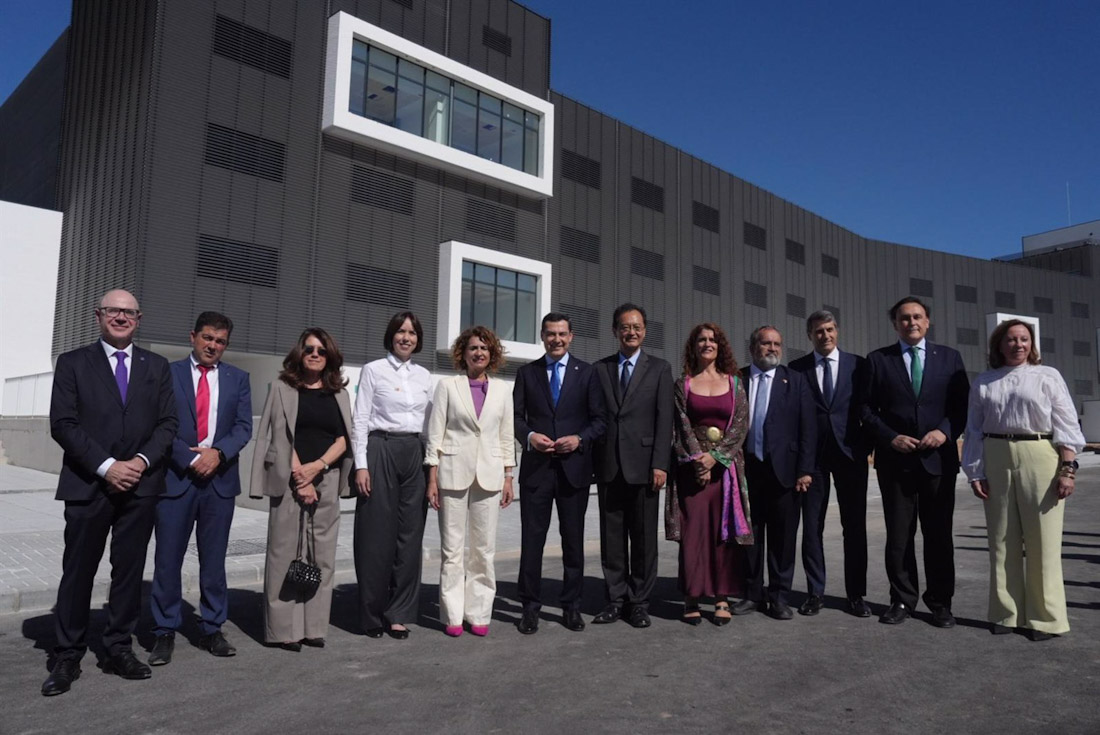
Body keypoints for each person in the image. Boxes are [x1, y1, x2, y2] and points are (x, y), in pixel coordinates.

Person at [42, 289, 178, 696]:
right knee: (78, 571)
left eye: (128, 312)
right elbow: (63, 423)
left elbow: (168, 424)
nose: (121, 317)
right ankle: (67, 655)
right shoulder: (73, 363)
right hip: (89, 484)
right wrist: (107, 466)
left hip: (140, 485)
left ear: (139, 319)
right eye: (113, 311)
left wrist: (140, 462)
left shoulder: (157, 366)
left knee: (129, 572)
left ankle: (118, 648)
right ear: (98, 315)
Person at [963, 319, 1084, 641]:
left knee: (1043, 540)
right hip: (996, 454)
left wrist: (1067, 468)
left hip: (1039, 454)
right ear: (999, 345)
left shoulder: (1048, 376)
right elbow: (973, 428)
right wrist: (975, 471)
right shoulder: (985, 381)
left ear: (1032, 344)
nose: (1018, 344)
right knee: (1002, 539)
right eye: (1011, 339)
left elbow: (1066, 423)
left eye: (1024, 339)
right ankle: (1007, 613)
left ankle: (1046, 618)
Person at [150, 311, 253, 665]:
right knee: (167, 559)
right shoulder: (169, 373)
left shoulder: (239, 378)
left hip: (219, 482)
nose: (213, 345)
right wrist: (189, 458)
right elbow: (159, 423)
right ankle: (164, 630)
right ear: (193, 336)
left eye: (220, 341)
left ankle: (211, 627)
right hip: (177, 479)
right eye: (208, 337)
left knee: (214, 560)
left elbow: (243, 427)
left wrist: (218, 454)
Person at [862, 297, 969, 627]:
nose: (911, 322)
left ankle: (940, 602)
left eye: (917, 317)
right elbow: (865, 409)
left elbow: (962, 407)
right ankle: (902, 600)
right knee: (899, 536)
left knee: (939, 535)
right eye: (905, 318)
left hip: (938, 461)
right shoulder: (878, 360)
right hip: (896, 462)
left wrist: (944, 432)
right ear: (895, 324)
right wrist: (890, 437)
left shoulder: (950, 358)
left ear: (927, 321)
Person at [250, 328, 353, 650]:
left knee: (321, 556)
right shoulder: (283, 388)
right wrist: (301, 476)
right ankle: (284, 630)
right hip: (289, 478)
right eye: (309, 349)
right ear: (300, 352)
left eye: (321, 351)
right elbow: (279, 435)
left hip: (327, 479)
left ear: (329, 356)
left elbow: (344, 438)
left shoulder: (339, 393)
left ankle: (313, 627)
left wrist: (318, 467)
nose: (315, 355)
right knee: (284, 553)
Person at [513, 313, 606, 634]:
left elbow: (599, 420)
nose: (556, 339)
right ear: (542, 336)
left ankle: (571, 606)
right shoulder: (527, 373)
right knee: (532, 542)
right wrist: (529, 436)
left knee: (573, 542)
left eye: (562, 334)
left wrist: (579, 439)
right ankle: (529, 607)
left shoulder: (587, 373)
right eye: (550, 334)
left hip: (573, 470)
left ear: (571, 336)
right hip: (536, 471)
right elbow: (516, 418)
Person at [425, 326, 515, 637]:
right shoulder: (448, 386)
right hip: (452, 473)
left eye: (484, 348)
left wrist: (508, 476)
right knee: (452, 550)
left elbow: (506, 436)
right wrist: (432, 477)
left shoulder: (503, 390)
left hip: (490, 475)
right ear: (463, 353)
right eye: (473, 347)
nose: (479, 353)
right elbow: (435, 434)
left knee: (483, 550)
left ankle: (478, 612)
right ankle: (452, 614)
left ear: (492, 354)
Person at [592, 304, 674, 629]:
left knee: (643, 538)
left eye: (637, 327)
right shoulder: (600, 369)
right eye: (625, 327)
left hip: (645, 466)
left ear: (645, 331)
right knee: (611, 538)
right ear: (615, 331)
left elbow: (664, 420)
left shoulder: (660, 369)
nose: (631, 332)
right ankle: (615, 600)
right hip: (609, 465)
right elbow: (595, 417)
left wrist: (660, 464)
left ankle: (639, 602)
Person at [352, 312, 433, 640]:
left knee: (410, 536)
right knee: (375, 536)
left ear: (418, 339)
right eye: (401, 331)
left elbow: (428, 426)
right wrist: (361, 464)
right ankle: (371, 614)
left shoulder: (425, 376)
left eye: (412, 332)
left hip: (414, 452)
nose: (406, 337)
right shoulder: (373, 370)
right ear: (391, 335)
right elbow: (360, 419)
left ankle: (399, 613)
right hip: (380, 449)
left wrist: (431, 466)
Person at [667, 323, 752, 626]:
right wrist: (698, 461)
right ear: (693, 346)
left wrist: (715, 458)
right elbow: (681, 425)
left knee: (722, 534)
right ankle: (691, 596)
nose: (707, 344)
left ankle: (721, 597)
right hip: (692, 472)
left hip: (725, 471)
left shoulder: (735, 383)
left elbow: (740, 425)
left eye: (712, 340)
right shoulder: (683, 384)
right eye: (701, 340)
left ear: (720, 346)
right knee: (693, 534)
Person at [789, 310, 872, 617]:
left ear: (837, 331)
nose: (825, 335)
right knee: (812, 527)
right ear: (809, 336)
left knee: (855, 527)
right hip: (813, 460)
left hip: (851, 455)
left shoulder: (858, 365)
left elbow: (869, 408)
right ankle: (815, 592)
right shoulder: (797, 369)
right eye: (818, 331)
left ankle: (856, 595)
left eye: (829, 329)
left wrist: (865, 448)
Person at [733, 326, 816, 621]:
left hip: (785, 472)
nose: (772, 348)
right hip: (747, 471)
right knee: (748, 537)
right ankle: (751, 594)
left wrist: (805, 470)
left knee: (783, 538)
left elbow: (808, 428)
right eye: (766, 343)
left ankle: (779, 596)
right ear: (753, 347)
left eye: (777, 344)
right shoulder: (737, 379)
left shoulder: (795, 380)